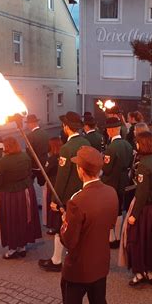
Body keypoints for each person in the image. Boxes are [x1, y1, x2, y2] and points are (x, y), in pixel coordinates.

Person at [60, 146, 118, 304]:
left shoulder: (77, 201)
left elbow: (69, 241)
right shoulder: (111, 192)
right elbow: (110, 223)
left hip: (79, 267)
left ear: (81, 170)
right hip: (100, 262)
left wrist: (65, 222)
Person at [39, 111, 90, 272]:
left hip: (69, 197)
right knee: (81, 229)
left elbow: (62, 178)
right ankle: (78, 259)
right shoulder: (86, 142)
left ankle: (56, 260)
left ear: (67, 127)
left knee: (63, 228)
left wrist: (55, 199)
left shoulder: (66, 148)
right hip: (84, 193)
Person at [119, 131, 152, 286]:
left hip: (145, 208)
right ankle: (151, 273)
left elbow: (142, 193)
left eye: (138, 142)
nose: (136, 144)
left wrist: (134, 215)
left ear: (142, 144)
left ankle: (139, 273)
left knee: (136, 240)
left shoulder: (143, 164)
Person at [0, 137, 42, 259]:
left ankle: (13, 248)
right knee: (24, 218)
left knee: (10, 221)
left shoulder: (2, 162)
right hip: (26, 192)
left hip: (9, 194)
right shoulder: (25, 157)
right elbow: (30, 172)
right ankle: (22, 246)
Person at [101, 117, 133, 249]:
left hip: (111, 182)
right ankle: (118, 236)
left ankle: (111, 237)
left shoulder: (112, 147)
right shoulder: (127, 144)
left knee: (110, 210)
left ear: (112, 129)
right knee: (119, 209)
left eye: (108, 129)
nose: (107, 132)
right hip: (123, 180)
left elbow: (106, 169)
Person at [43, 137, 63, 235]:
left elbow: (45, 171)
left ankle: (54, 226)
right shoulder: (63, 156)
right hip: (61, 183)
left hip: (52, 184)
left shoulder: (51, 159)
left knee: (52, 205)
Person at [25, 114, 50, 187]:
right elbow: (49, 148)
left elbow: (29, 152)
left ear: (31, 124)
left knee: (29, 184)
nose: (27, 126)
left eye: (28, 124)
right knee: (44, 184)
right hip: (44, 162)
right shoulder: (45, 133)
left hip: (34, 164)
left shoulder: (30, 136)